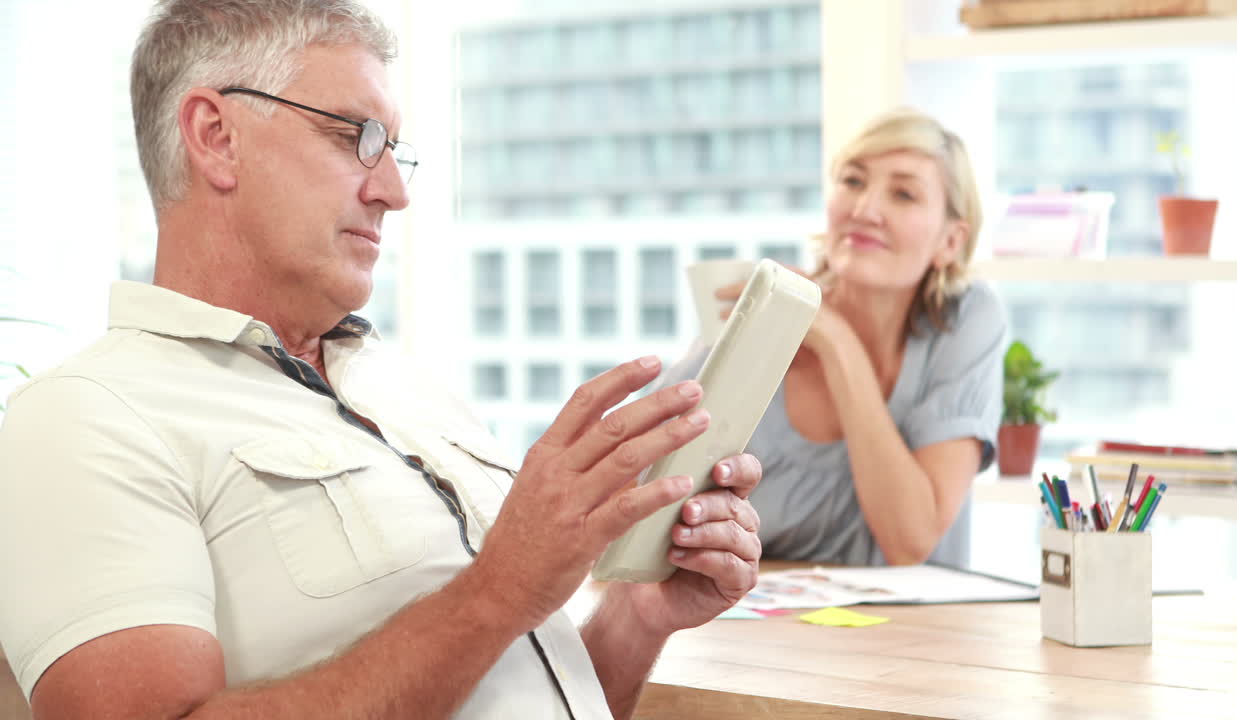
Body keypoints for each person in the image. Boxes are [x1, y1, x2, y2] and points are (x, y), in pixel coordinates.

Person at [0, 2, 763, 719]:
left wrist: (636, 619)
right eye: (354, 135)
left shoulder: (411, 398)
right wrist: (503, 587)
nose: (394, 192)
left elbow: (520, 692)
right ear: (215, 135)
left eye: (397, 151)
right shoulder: (81, 422)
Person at [661, 108, 1006, 568]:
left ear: (950, 241)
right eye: (853, 181)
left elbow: (909, 541)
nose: (865, 211)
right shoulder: (769, 313)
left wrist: (836, 340)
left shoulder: (966, 318)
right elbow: (635, 498)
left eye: (903, 194)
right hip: (760, 627)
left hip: (916, 636)